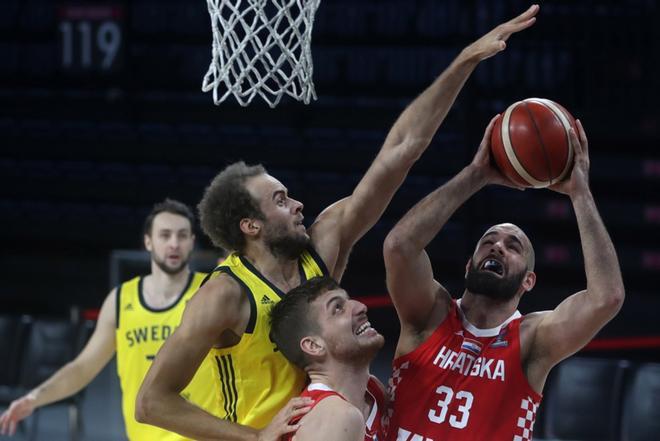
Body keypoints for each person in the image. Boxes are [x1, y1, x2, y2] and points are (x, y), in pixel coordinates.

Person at [135, 5, 540, 440]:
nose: (298, 204)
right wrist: (253, 438)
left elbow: (399, 151)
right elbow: (151, 402)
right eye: (280, 200)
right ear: (250, 225)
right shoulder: (223, 295)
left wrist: (464, 62)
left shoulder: (320, 247)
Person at [381, 113, 625, 440]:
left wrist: (580, 194)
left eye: (513, 246)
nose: (497, 247)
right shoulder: (430, 314)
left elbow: (606, 298)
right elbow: (399, 247)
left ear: (529, 280)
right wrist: (475, 175)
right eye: (488, 241)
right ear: (469, 265)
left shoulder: (531, 340)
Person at [0, 199, 222, 440]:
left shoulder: (211, 291)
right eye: (165, 235)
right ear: (148, 241)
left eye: (182, 235)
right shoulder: (120, 300)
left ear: (191, 242)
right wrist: (36, 397)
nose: (174, 244)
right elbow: (83, 367)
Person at [269, 276, 386, 441]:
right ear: (314, 345)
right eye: (338, 308)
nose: (361, 307)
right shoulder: (336, 418)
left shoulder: (374, 391)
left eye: (349, 300)